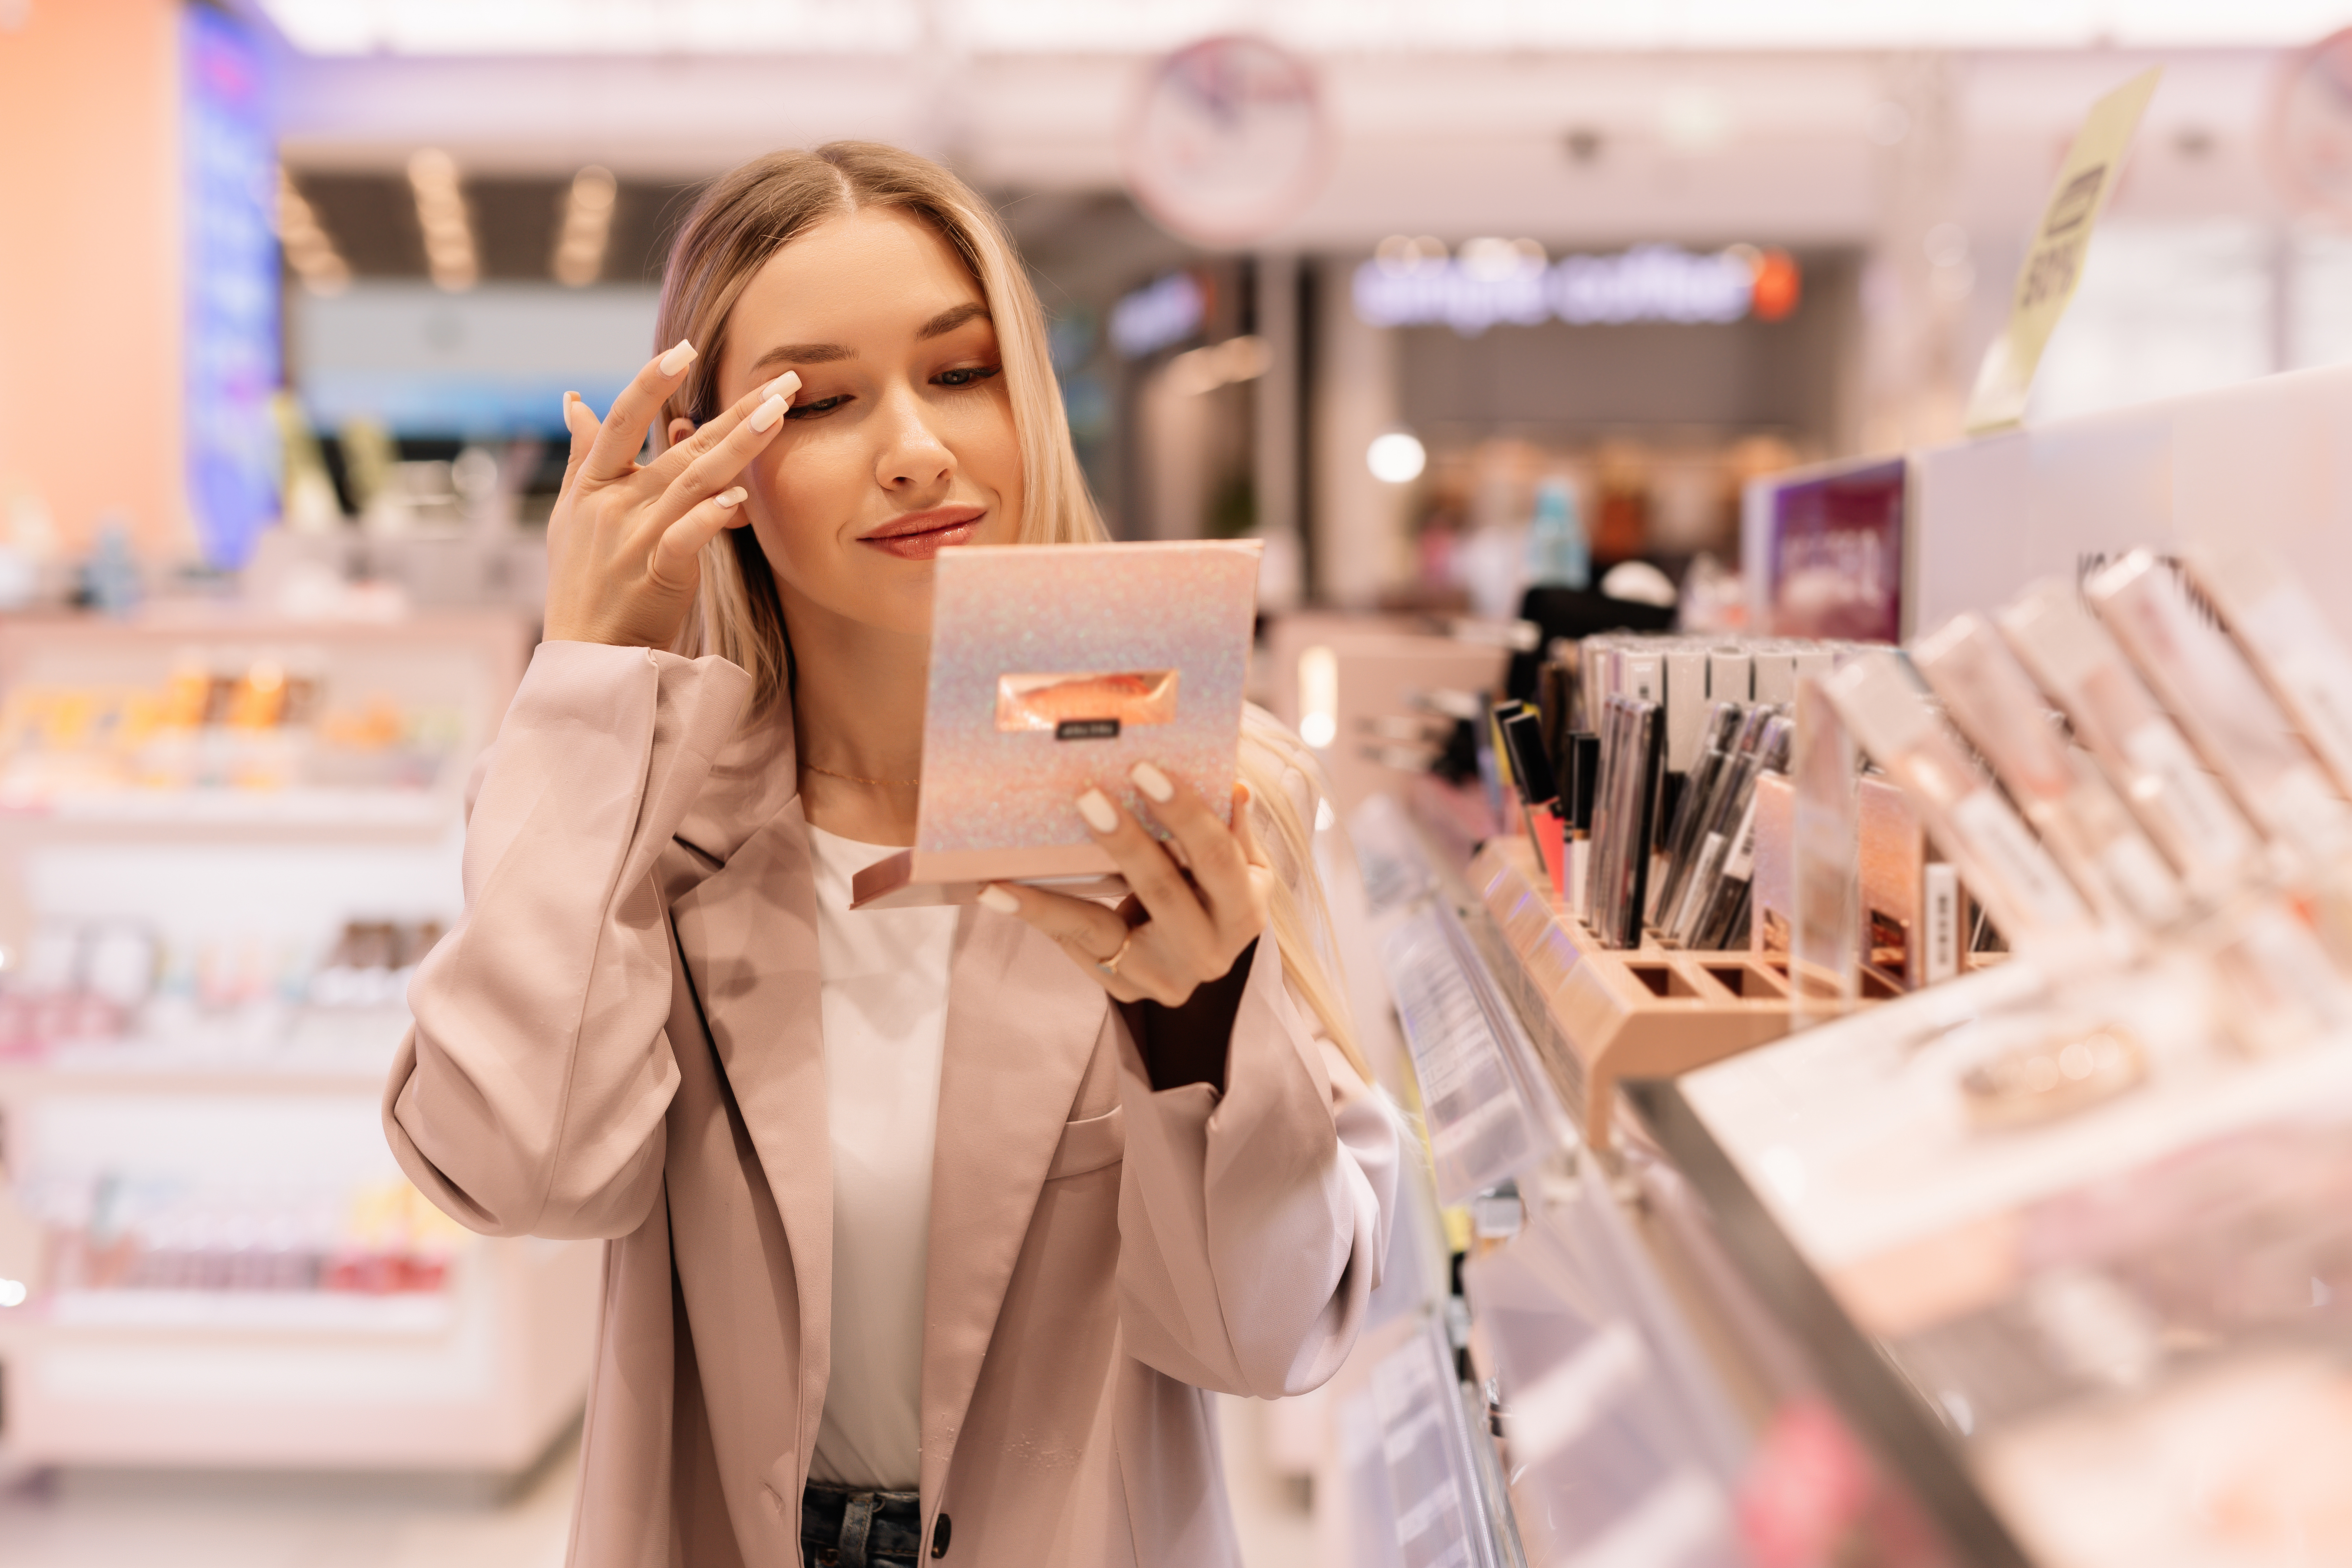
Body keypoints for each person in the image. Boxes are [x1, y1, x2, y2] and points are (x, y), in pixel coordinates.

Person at [383, 141, 1397, 1568]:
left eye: (961, 372)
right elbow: (520, 1173)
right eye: (824, 400)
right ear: (712, 461)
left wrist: (1197, 1015)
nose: (916, 445)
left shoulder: (1204, 806)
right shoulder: (649, 817)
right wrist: (590, 670)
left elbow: (1269, 1332)